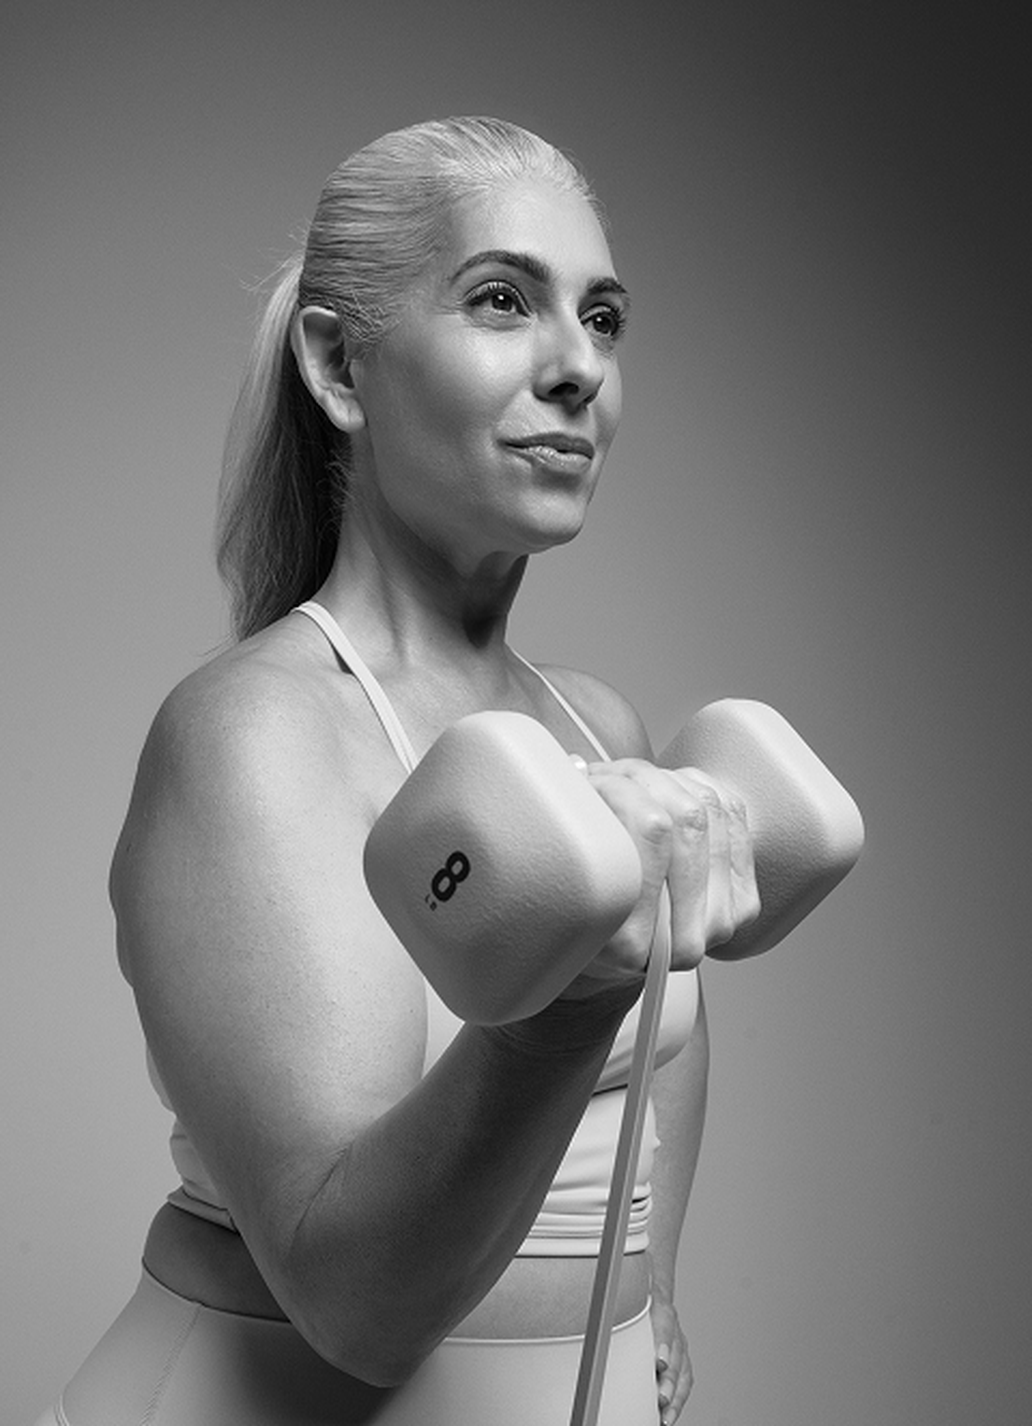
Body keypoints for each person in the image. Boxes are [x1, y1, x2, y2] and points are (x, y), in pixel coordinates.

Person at [35, 116, 759, 1426]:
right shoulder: (254, 735)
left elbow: (662, 1055)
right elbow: (356, 1305)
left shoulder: (596, 722)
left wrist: (647, 1291)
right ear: (338, 366)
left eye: (602, 318)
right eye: (503, 301)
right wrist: (569, 989)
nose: (579, 367)